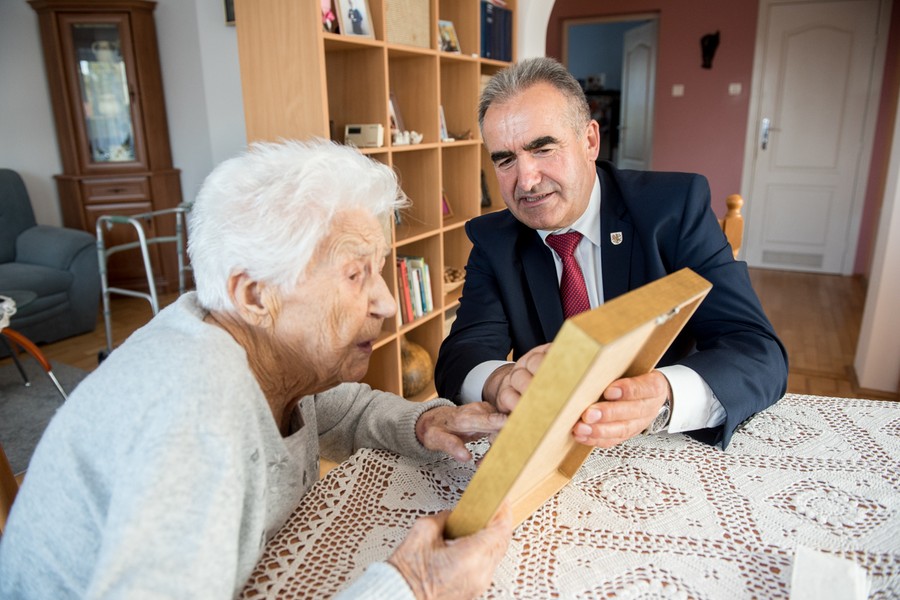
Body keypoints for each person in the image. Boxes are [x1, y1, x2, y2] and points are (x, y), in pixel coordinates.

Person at [0, 140, 513, 598]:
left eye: (377, 269)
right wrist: (413, 587)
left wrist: (422, 422)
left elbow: (338, 411)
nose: (386, 303)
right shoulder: (194, 417)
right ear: (255, 295)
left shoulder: (258, 350)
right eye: (356, 274)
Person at [435, 57, 788, 450]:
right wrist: (500, 382)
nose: (526, 181)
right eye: (505, 160)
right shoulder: (494, 239)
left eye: (543, 149)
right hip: (559, 455)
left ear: (589, 141)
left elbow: (757, 350)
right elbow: (461, 355)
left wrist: (663, 394)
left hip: (666, 444)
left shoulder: (673, 208)